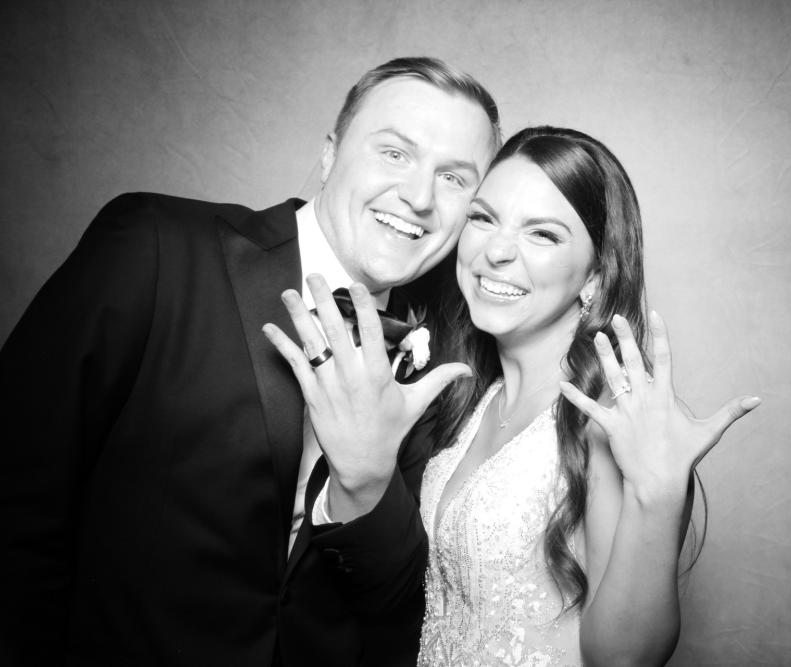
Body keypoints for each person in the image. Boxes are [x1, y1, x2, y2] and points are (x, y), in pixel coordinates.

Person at [0, 57, 500, 666]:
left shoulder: (449, 358)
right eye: (394, 153)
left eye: (454, 179)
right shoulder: (156, 247)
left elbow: (401, 604)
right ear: (329, 154)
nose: (419, 197)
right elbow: (17, 497)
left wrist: (368, 481)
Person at [266, 126, 761, 665]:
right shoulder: (467, 399)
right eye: (483, 218)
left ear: (596, 276)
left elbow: (622, 659)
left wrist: (657, 495)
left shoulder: (613, 418)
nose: (496, 251)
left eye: (543, 234)